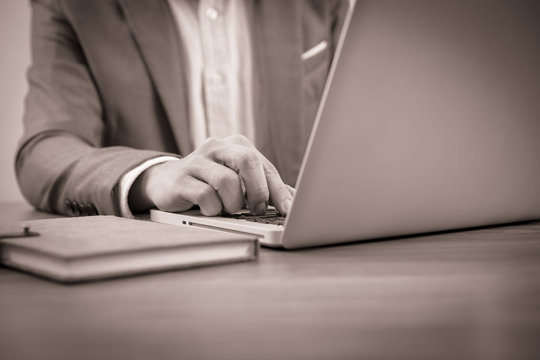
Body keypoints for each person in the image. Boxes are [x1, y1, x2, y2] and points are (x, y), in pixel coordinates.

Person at [16, 0, 348, 218]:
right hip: (156, 273)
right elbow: (45, 152)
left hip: (303, 262)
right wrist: (153, 175)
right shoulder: (76, 8)